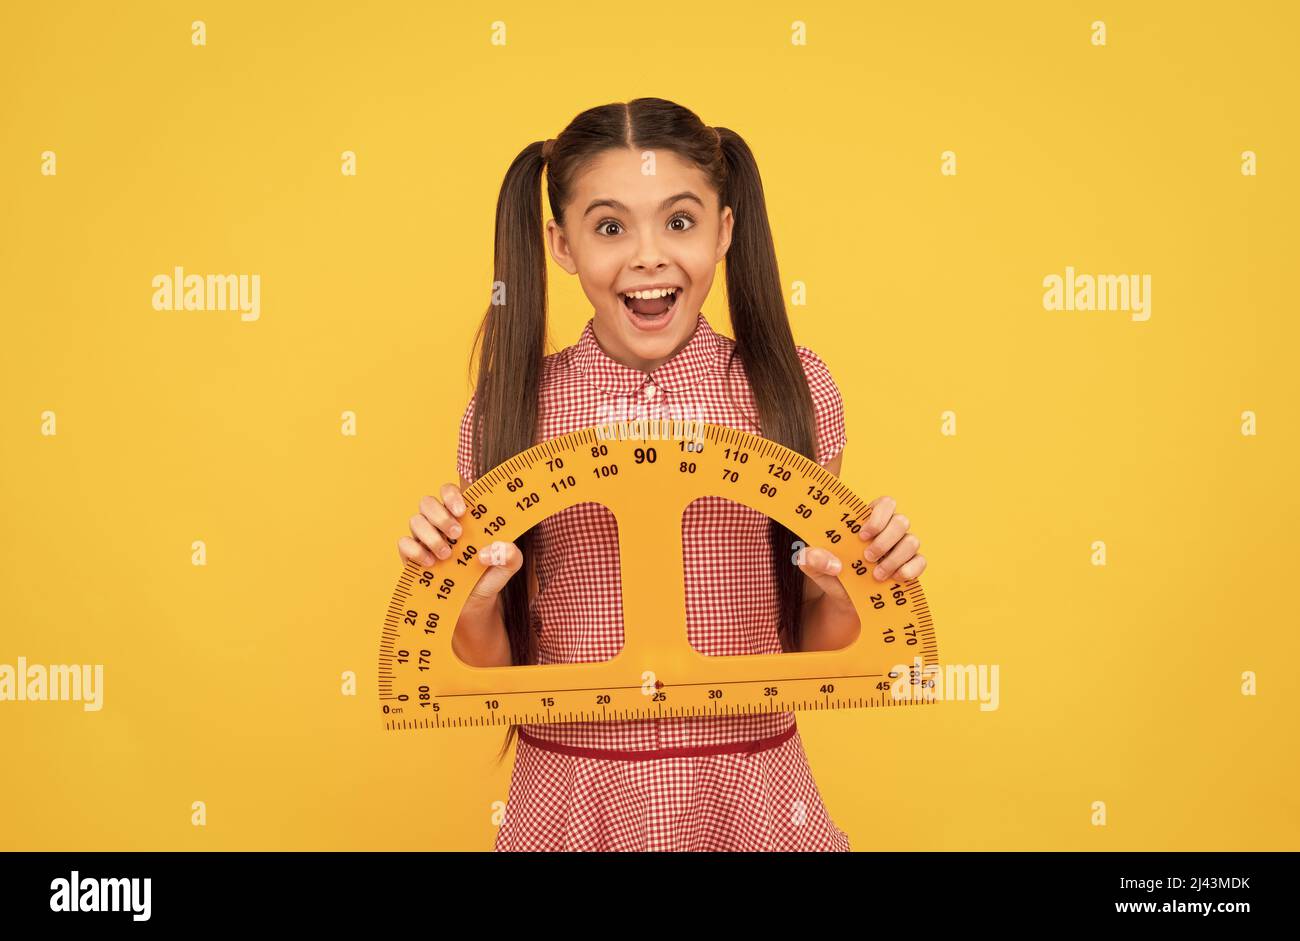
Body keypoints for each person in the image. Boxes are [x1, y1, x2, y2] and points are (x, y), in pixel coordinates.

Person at [398, 97, 927, 851]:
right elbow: (495, 675)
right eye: (610, 227)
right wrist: (473, 600)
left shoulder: (792, 392)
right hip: (572, 793)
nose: (648, 256)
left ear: (724, 232)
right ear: (561, 244)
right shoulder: (509, 412)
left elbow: (817, 641)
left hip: (753, 787)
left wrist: (850, 587)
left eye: (679, 221)